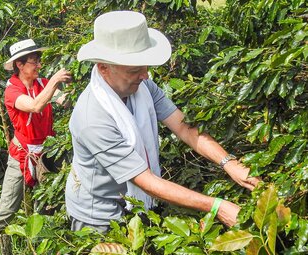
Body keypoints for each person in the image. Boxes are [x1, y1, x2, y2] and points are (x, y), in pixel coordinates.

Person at [65, 10, 261, 233]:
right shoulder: (93, 118)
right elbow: (145, 181)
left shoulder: (142, 88)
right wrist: (217, 206)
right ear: (103, 67)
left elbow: (184, 128)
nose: (145, 75)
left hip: (134, 204)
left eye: (145, 66)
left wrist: (230, 163)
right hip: (98, 215)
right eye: (135, 69)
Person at [0, 39, 72, 251]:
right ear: (20, 65)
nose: (38, 65)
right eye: (33, 61)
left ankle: (41, 247)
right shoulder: (12, 91)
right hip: (22, 154)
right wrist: (55, 81)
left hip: (47, 152)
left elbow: (61, 99)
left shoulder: (42, 84)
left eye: (39, 60)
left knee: (48, 203)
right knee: (8, 208)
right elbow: (36, 106)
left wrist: (70, 90)